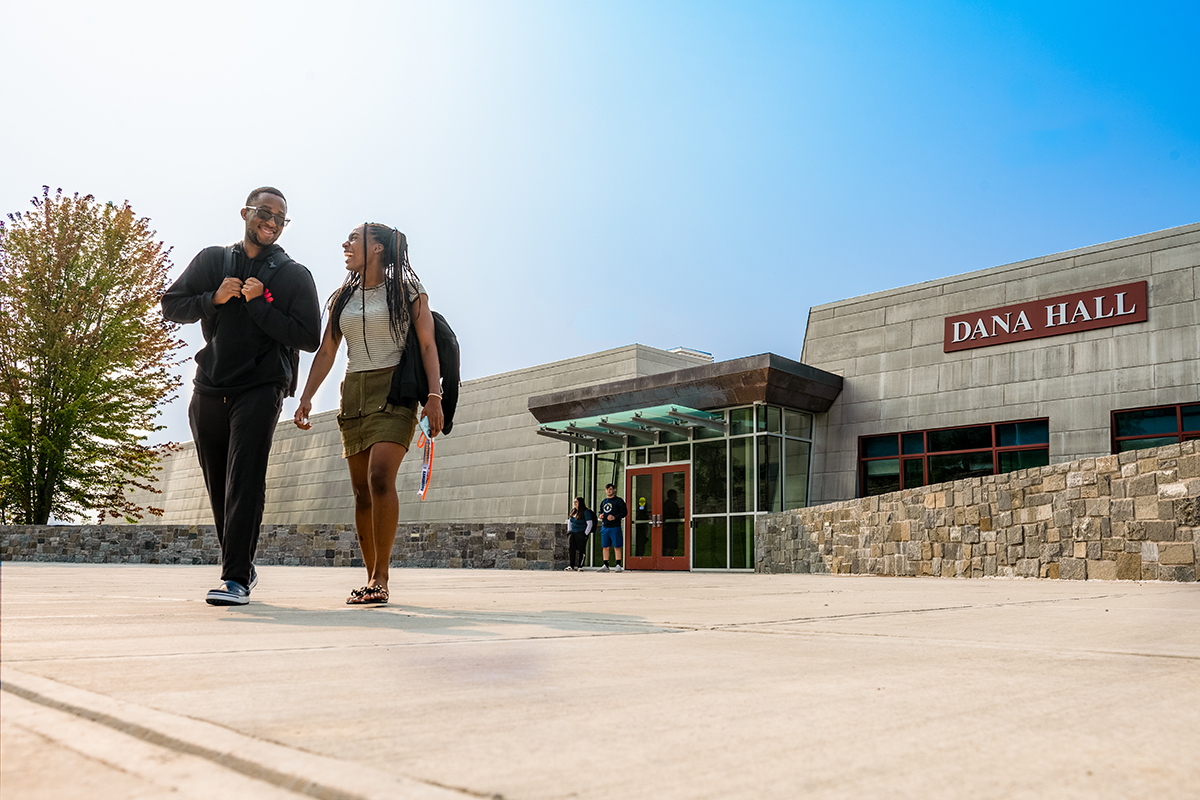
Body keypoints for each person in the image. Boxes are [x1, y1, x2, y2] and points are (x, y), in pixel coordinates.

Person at [162, 187, 321, 606]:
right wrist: (212, 299)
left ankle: (234, 578)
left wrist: (258, 305)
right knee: (220, 484)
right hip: (210, 385)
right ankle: (242, 563)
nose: (271, 222)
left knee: (245, 479)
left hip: (262, 385)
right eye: (264, 213)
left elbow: (308, 336)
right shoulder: (214, 260)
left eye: (280, 218)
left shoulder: (293, 275)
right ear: (245, 213)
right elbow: (171, 305)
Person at [293, 223, 443, 605]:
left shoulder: (407, 291)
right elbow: (327, 351)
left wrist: (434, 395)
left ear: (377, 247)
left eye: (354, 239)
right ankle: (369, 577)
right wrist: (306, 396)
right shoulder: (343, 296)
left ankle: (382, 577)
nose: (345, 244)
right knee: (361, 492)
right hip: (354, 392)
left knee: (379, 478)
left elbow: (427, 344)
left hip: (394, 390)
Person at [597, 483, 627, 572]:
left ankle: (618, 564)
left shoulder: (619, 501)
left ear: (614, 490)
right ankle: (606, 564)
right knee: (605, 546)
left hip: (615, 526)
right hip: (605, 526)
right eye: (607, 489)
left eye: (610, 489)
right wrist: (600, 516)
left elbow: (624, 512)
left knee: (617, 546)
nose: (608, 491)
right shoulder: (604, 502)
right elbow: (600, 511)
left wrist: (615, 517)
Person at [565, 497, 594, 571]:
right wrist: (569, 531)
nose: (575, 503)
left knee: (581, 550)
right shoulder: (573, 511)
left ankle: (580, 566)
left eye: (576, 502)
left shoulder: (585, 512)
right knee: (571, 549)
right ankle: (571, 565)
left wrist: (585, 534)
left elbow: (589, 523)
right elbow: (570, 521)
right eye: (574, 502)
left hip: (581, 533)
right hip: (572, 533)